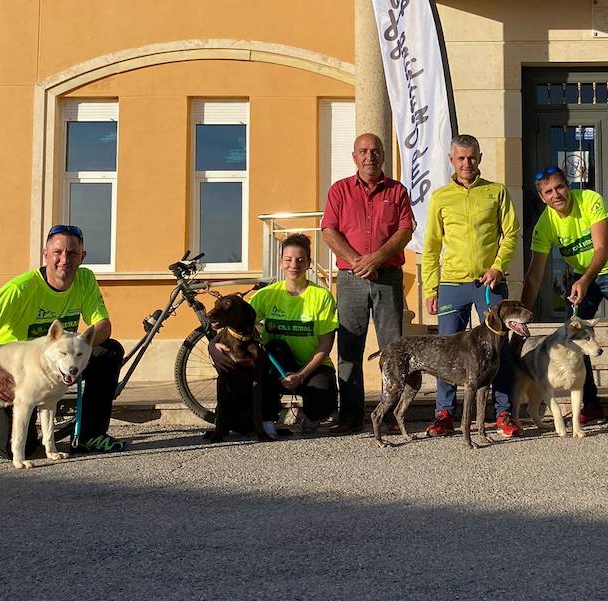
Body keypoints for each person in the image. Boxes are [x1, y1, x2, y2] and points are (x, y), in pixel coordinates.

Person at [0, 224, 127, 459]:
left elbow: (103, 326)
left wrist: (79, 345)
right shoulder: (21, 289)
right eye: (57, 252)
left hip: (55, 363)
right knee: (17, 448)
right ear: (45, 255)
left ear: (82, 257)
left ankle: (90, 435)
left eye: (72, 253)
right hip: (13, 372)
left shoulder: (84, 279)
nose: (64, 259)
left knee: (109, 350)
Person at [520, 166, 608, 427]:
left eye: (560, 187)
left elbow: (602, 248)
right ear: (542, 197)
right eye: (548, 192)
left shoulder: (590, 200)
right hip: (583, 275)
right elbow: (534, 275)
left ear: (569, 185)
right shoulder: (546, 223)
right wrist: (522, 316)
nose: (556, 195)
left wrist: (585, 280)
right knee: (572, 336)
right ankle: (591, 404)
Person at [421, 133, 523, 438]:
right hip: (452, 283)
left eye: (472, 157)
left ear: (479, 158)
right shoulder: (440, 197)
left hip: (488, 284)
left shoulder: (496, 191)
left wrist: (497, 266)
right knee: (446, 350)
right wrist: (430, 288)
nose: (467, 163)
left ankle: (504, 413)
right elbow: (430, 247)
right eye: (461, 158)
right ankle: (444, 414)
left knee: (500, 351)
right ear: (452, 160)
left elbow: (512, 233)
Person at [321, 132, 414, 434]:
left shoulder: (398, 191)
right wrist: (359, 261)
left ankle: (388, 415)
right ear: (354, 156)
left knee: (393, 350)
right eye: (363, 151)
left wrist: (376, 258)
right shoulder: (339, 190)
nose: (369, 156)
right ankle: (350, 416)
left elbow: (404, 231)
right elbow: (329, 231)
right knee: (349, 348)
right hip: (350, 280)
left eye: (375, 151)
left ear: (384, 155)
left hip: (387, 278)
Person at [212, 233, 339, 440]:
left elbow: (326, 343)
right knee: (274, 348)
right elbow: (236, 324)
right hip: (276, 362)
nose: (293, 265)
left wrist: (301, 375)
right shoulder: (265, 295)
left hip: (312, 365)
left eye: (300, 260)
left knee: (322, 400)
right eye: (288, 260)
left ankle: (315, 414)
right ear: (281, 263)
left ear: (309, 263)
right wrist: (213, 346)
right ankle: (267, 417)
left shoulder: (322, 296)